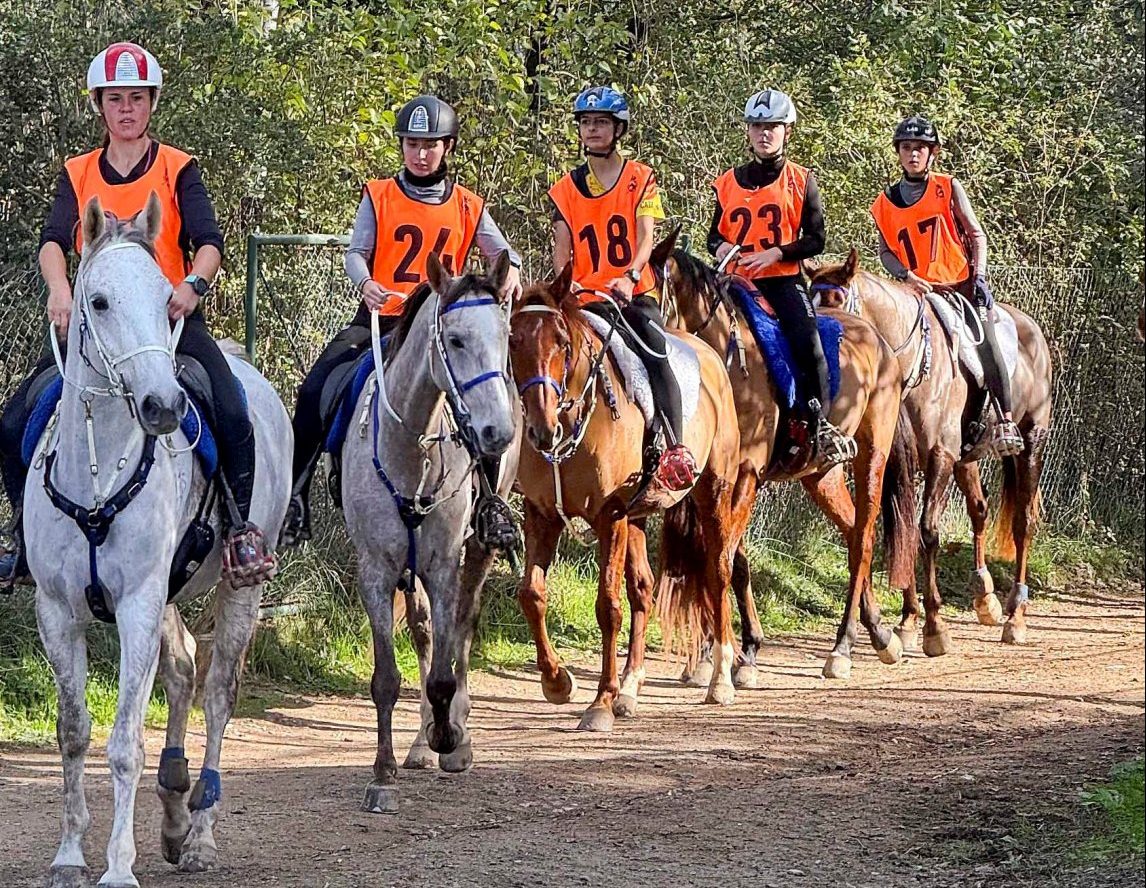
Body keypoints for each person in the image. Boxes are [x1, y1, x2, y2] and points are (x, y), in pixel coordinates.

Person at [0, 42, 274, 586]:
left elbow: (210, 241)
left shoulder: (177, 168)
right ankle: (22, 537)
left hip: (166, 319)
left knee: (233, 409)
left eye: (138, 98)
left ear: (151, 104)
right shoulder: (78, 173)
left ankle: (241, 530)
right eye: (116, 98)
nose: (127, 109)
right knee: (14, 421)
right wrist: (59, 290)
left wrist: (194, 283)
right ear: (100, 105)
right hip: (97, 327)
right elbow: (54, 240)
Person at [284, 95, 524, 549]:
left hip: (443, 330)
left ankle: (491, 501)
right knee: (319, 385)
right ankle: (296, 496)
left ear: (447, 147)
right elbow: (356, 252)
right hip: (383, 320)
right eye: (411, 144)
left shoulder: (468, 206)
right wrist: (366, 282)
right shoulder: (380, 195)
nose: (419, 154)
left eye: (429, 145)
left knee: (489, 396)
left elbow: (503, 253)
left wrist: (510, 273)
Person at [548, 86, 697, 491]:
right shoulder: (563, 189)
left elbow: (646, 236)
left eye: (600, 123)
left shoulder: (641, 178)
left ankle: (674, 447)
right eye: (586, 123)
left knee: (654, 348)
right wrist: (567, 283)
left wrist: (630, 276)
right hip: (582, 299)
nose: (592, 130)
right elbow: (562, 250)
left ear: (618, 129)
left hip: (630, 293)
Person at [707, 88, 854, 465]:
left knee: (808, 340)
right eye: (757, 126)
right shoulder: (727, 182)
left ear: (787, 131)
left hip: (782, 279)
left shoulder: (802, 180)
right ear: (748, 132)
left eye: (771, 126)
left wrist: (778, 253)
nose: (764, 133)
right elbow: (714, 236)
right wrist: (723, 249)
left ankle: (820, 425)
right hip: (736, 281)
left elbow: (816, 239)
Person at [871, 114, 1023, 455]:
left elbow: (976, 234)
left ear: (932, 153)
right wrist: (908, 277)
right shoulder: (883, 203)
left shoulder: (947, 186)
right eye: (907, 148)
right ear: (898, 152)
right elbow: (885, 252)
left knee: (984, 339)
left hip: (959, 285)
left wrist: (979, 276)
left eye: (920, 149)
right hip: (916, 291)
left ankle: (1005, 418)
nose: (913, 155)